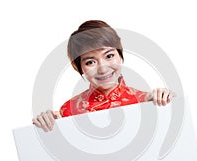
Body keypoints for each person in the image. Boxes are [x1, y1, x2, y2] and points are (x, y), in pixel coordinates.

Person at [32, 20, 174, 132]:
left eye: (109, 55)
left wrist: (168, 100)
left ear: (120, 55)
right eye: (90, 62)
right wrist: (44, 125)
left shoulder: (147, 102)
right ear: (79, 67)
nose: (102, 68)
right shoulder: (68, 111)